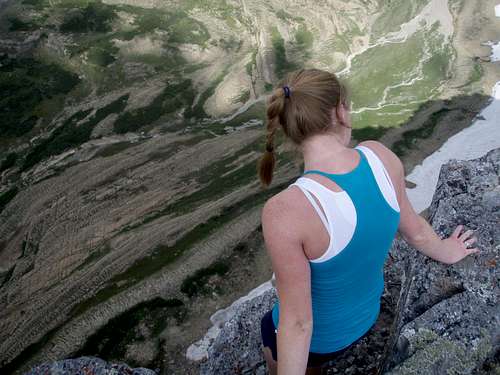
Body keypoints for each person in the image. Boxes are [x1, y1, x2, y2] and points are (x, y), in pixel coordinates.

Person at [257, 68, 480, 375]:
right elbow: (417, 234)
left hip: (322, 343)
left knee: (268, 327)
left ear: (289, 128)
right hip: (367, 316)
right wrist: (449, 249)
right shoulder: (380, 156)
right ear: (340, 112)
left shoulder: (283, 211)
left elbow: (297, 323)